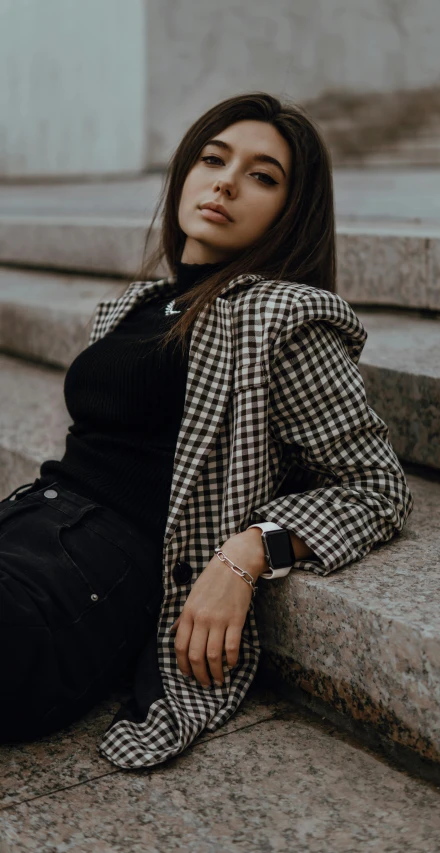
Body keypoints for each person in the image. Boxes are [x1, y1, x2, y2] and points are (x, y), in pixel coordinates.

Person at [0, 92, 413, 768]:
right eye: (213, 158)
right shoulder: (137, 306)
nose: (225, 180)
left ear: (292, 210)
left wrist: (247, 553)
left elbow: (375, 487)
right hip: (26, 529)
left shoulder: (284, 317)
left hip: (91, 585)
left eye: (262, 175)